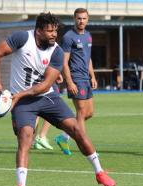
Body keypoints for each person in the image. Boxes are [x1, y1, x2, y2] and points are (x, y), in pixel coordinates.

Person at [0, 12, 116, 186]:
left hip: (45, 97)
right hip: (22, 102)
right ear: (38, 31)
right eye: (49, 31)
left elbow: (45, 86)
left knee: (76, 129)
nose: (54, 35)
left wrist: (19, 95)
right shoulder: (22, 38)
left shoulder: (56, 51)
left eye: (55, 31)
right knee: (25, 137)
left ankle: (99, 172)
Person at [54, 8, 97, 156]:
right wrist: (69, 82)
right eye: (79, 18)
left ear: (88, 20)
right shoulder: (68, 37)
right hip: (76, 78)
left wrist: (93, 76)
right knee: (81, 111)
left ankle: (64, 136)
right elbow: (64, 62)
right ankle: (84, 145)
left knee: (90, 113)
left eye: (84, 18)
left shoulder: (88, 36)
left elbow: (88, 57)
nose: (81, 21)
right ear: (74, 19)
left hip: (86, 78)